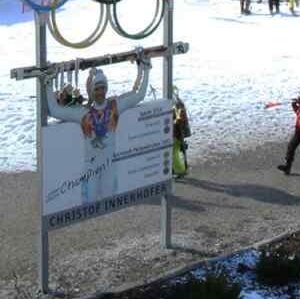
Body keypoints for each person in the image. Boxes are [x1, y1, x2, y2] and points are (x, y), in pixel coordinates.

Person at [44, 56, 151, 204]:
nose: (100, 92)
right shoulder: (83, 113)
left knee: (109, 199)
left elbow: (140, 95)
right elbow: (54, 110)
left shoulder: (115, 107)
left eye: (102, 88)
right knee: (88, 203)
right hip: (91, 166)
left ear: (106, 89)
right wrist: (48, 82)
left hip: (109, 164)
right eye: (97, 88)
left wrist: (146, 69)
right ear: (92, 90)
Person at [171, 94, 191, 178]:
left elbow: (178, 120)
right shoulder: (178, 103)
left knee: (173, 151)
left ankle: (179, 170)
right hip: (178, 133)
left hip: (177, 133)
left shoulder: (176, 106)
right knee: (175, 151)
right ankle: (178, 169)